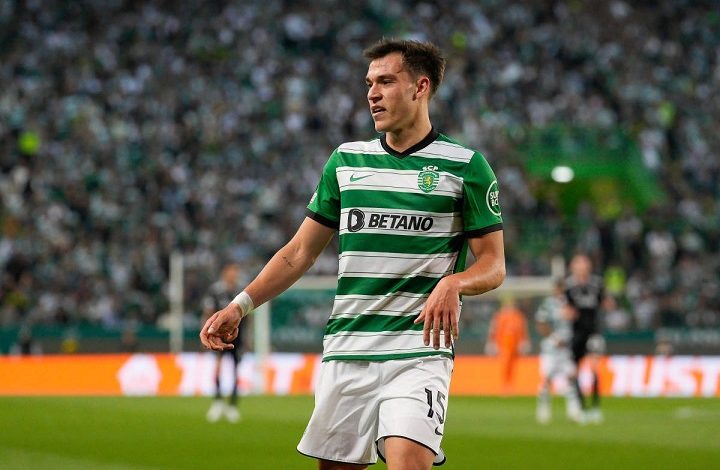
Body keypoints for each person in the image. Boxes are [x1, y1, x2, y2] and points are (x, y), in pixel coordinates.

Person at [200, 38, 505, 470]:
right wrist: (240, 305)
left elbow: (493, 264)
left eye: (386, 81)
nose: (372, 94)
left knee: (408, 463)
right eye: (369, 83)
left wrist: (455, 283)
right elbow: (299, 252)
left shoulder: (465, 166)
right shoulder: (346, 161)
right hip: (347, 349)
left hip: (418, 351)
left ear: (420, 88)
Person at [564, 253, 612, 424]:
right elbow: (566, 309)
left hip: (593, 332)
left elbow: (606, 303)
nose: (581, 267)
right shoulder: (569, 286)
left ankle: (596, 408)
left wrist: (608, 303)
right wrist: (568, 313)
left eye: (583, 263)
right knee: (575, 371)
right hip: (577, 333)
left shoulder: (597, 284)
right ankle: (582, 408)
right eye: (578, 264)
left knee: (594, 367)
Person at [201, 262, 246, 423]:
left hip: (237, 336)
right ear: (224, 273)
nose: (233, 275)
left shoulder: (241, 291)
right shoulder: (215, 291)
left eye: (235, 271)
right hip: (218, 335)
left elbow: (248, 316)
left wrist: (248, 338)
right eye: (231, 271)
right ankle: (218, 401)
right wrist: (206, 332)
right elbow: (207, 312)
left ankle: (233, 404)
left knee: (235, 369)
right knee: (218, 367)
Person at [534, 279, 582, 424]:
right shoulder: (548, 304)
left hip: (567, 347)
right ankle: (543, 409)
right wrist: (553, 338)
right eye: (559, 289)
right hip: (551, 348)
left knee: (571, 376)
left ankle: (574, 410)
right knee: (547, 379)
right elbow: (540, 323)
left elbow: (577, 321)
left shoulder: (570, 304)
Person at [485, 296, 529, 395]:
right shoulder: (499, 316)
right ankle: (505, 385)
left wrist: (523, 341)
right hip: (503, 344)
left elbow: (522, 329)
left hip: (514, 344)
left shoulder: (518, 316)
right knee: (505, 364)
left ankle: (510, 384)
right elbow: (494, 329)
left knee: (512, 365)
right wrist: (492, 342)